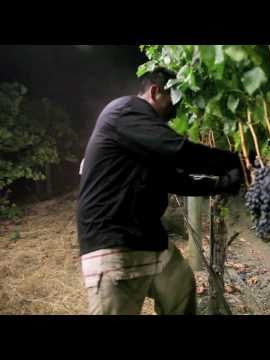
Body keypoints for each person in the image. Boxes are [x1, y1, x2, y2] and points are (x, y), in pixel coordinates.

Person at [76, 67, 243, 315]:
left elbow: (174, 181)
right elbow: (179, 151)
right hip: (113, 241)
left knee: (181, 288)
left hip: (149, 239)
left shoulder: (142, 139)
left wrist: (223, 184)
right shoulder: (125, 110)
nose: (174, 110)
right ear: (155, 92)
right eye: (172, 101)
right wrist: (236, 161)